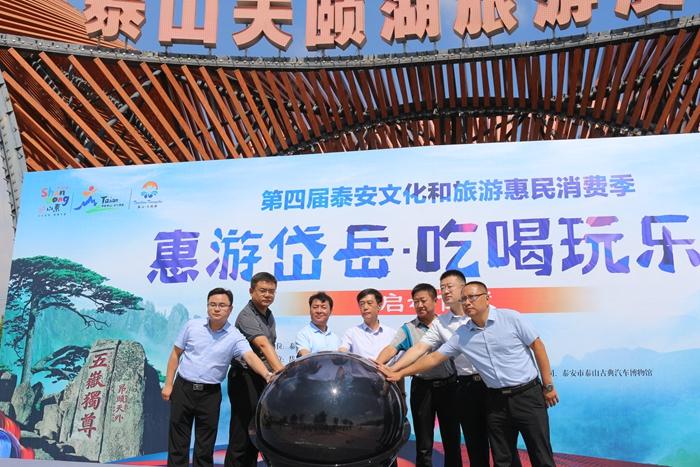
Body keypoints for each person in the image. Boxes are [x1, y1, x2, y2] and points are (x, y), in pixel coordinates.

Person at [381, 281, 559, 467]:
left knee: (540, 454)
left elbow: (537, 346)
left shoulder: (510, 318)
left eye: (472, 297)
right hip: (495, 400)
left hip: (527, 395)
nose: (467, 302)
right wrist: (398, 372)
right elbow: (433, 357)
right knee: (502, 458)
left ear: (487, 298)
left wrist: (548, 385)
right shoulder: (462, 334)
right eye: (464, 299)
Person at [384, 270, 493, 467]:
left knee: (497, 441)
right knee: (469, 440)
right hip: (452, 386)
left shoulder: (484, 314)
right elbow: (421, 350)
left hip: (484, 384)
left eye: (449, 286)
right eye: (443, 288)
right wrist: (394, 370)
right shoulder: (440, 324)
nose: (446, 291)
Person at [162, 288, 273, 467]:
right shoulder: (192, 326)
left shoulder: (234, 336)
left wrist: (267, 374)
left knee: (205, 446)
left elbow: (250, 356)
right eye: (212, 304)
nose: (216, 309)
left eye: (222, 305)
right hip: (183, 388)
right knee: (178, 442)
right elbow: (175, 354)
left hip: (210, 395)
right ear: (207, 306)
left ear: (230, 309)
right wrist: (168, 384)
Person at [375, 283, 462, 467]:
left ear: (435, 300)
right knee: (423, 442)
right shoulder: (408, 328)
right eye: (416, 302)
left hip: (449, 387)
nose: (419, 305)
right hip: (422, 388)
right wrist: (377, 365)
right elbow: (391, 348)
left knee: (452, 439)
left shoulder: (446, 324)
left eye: (423, 300)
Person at [225, 272, 285, 467]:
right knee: (241, 433)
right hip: (244, 378)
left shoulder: (268, 314)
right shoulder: (246, 316)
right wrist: (283, 374)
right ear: (251, 291)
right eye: (263, 290)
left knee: (255, 433)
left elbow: (270, 346)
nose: (267, 295)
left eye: (271, 291)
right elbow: (263, 345)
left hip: (262, 378)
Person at [338, 288, 397, 359]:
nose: (365, 307)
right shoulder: (352, 333)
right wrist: (342, 352)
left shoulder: (391, 334)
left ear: (379, 306)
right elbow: (343, 349)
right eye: (362, 304)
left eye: (369, 303)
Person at [295, 291, 342, 356]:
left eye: (323, 307)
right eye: (315, 307)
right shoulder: (303, 334)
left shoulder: (335, 338)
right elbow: (305, 356)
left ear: (330, 311)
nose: (319, 311)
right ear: (310, 310)